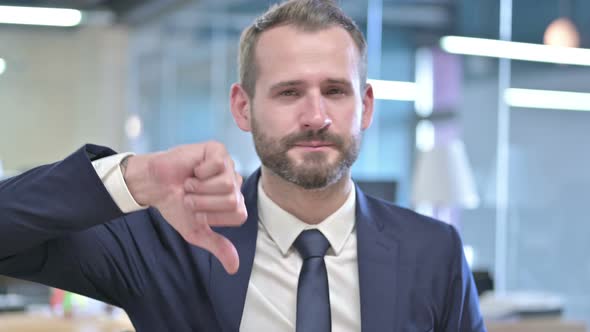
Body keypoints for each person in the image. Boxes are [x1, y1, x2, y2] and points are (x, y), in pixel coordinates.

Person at [0, 0, 486, 331]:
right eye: (289, 92)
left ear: (365, 106)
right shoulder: (170, 240)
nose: (315, 116)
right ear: (243, 107)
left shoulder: (433, 252)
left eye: (335, 91)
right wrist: (135, 178)